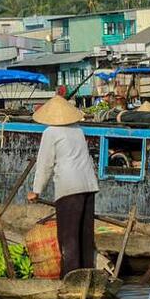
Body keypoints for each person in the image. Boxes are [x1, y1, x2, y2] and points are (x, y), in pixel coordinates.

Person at [26, 95, 98, 276]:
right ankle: (88, 274)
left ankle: (71, 277)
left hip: (69, 188)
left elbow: (45, 164)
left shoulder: (50, 133)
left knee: (69, 237)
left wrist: (36, 191)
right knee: (85, 236)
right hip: (88, 185)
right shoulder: (78, 130)